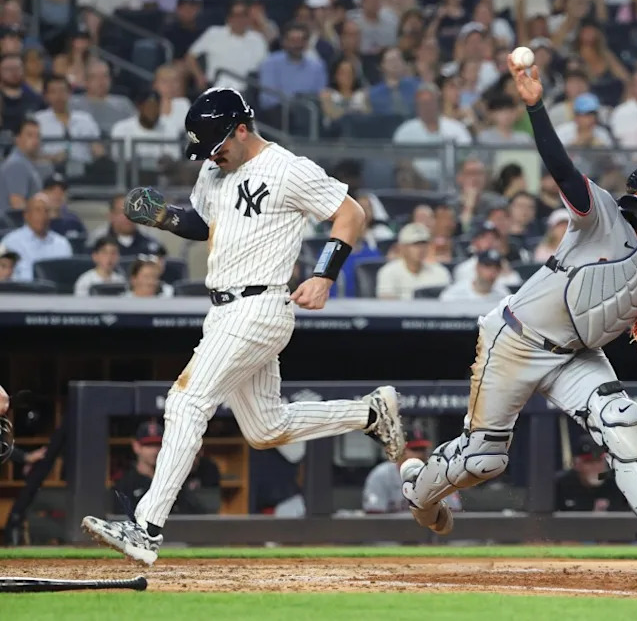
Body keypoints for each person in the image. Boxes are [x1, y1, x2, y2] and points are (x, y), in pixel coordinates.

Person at [399, 55, 637, 577]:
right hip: (517, 337)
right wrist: (536, 105)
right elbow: (562, 167)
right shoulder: (603, 214)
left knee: (624, 421)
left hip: (577, 356)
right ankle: (418, 487)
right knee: (483, 461)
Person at [81, 88, 406, 566]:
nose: (212, 157)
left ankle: (146, 528)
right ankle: (370, 414)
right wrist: (166, 216)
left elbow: (350, 213)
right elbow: (202, 222)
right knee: (264, 427)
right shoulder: (214, 168)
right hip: (224, 309)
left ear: (240, 128)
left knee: (187, 400)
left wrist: (322, 275)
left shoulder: (287, 167)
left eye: (217, 146)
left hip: (259, 305)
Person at [113, 420, 221, 516]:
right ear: (136, 447)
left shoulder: (174, 481)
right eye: (149, 445)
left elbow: (198, 515)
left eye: (159, 445)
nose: (155, 451)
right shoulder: (126, 484)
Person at [363, 428, 461, 514]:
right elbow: (374, 515)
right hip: (391, 532)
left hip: (430, 533)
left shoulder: (440, 475)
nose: (420, 455)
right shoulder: (381, 475)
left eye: (423, 449)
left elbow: (454, 513)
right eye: (415, 449)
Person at [0, 194, 72, 281]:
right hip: (20, 293)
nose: (43, 215)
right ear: (26, 215)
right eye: (38, 210)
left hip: (55, 293)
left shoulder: (62, 244)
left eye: (46, 211)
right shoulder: (10, 243)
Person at [375, 222, 451, 299]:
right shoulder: (388, 271)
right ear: (402, 247)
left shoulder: (440, 271)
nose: (421, 249)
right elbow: (386, 304)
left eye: (424, 244)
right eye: (415, 244)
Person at [555, 434, 629, 512]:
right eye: (589, 462)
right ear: (576, 465)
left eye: (598, 461)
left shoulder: (618, 481)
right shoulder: (561, 484)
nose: (595, 467)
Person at [440, 249, 511, 302]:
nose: (492, 271)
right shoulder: (455, 292)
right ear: (477, 267)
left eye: (497, 268)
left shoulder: (503, 294)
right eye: (487, 266)